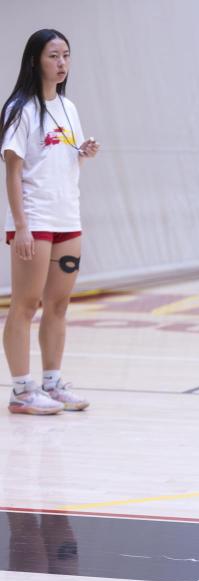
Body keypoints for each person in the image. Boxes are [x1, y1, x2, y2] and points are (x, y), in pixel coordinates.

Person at [1, 28, 100, 415]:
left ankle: (52, 382)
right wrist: (21, 226)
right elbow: (13, 172)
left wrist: (83, 155)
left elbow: (59, 162)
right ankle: (21, 390)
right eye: (53, 56)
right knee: (25, 304)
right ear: (34, 61)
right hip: (35, 219)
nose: (61, 64)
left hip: (67, 217)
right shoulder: (19, 109)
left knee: (58, 304)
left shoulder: (68, 107)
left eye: (66, 56)